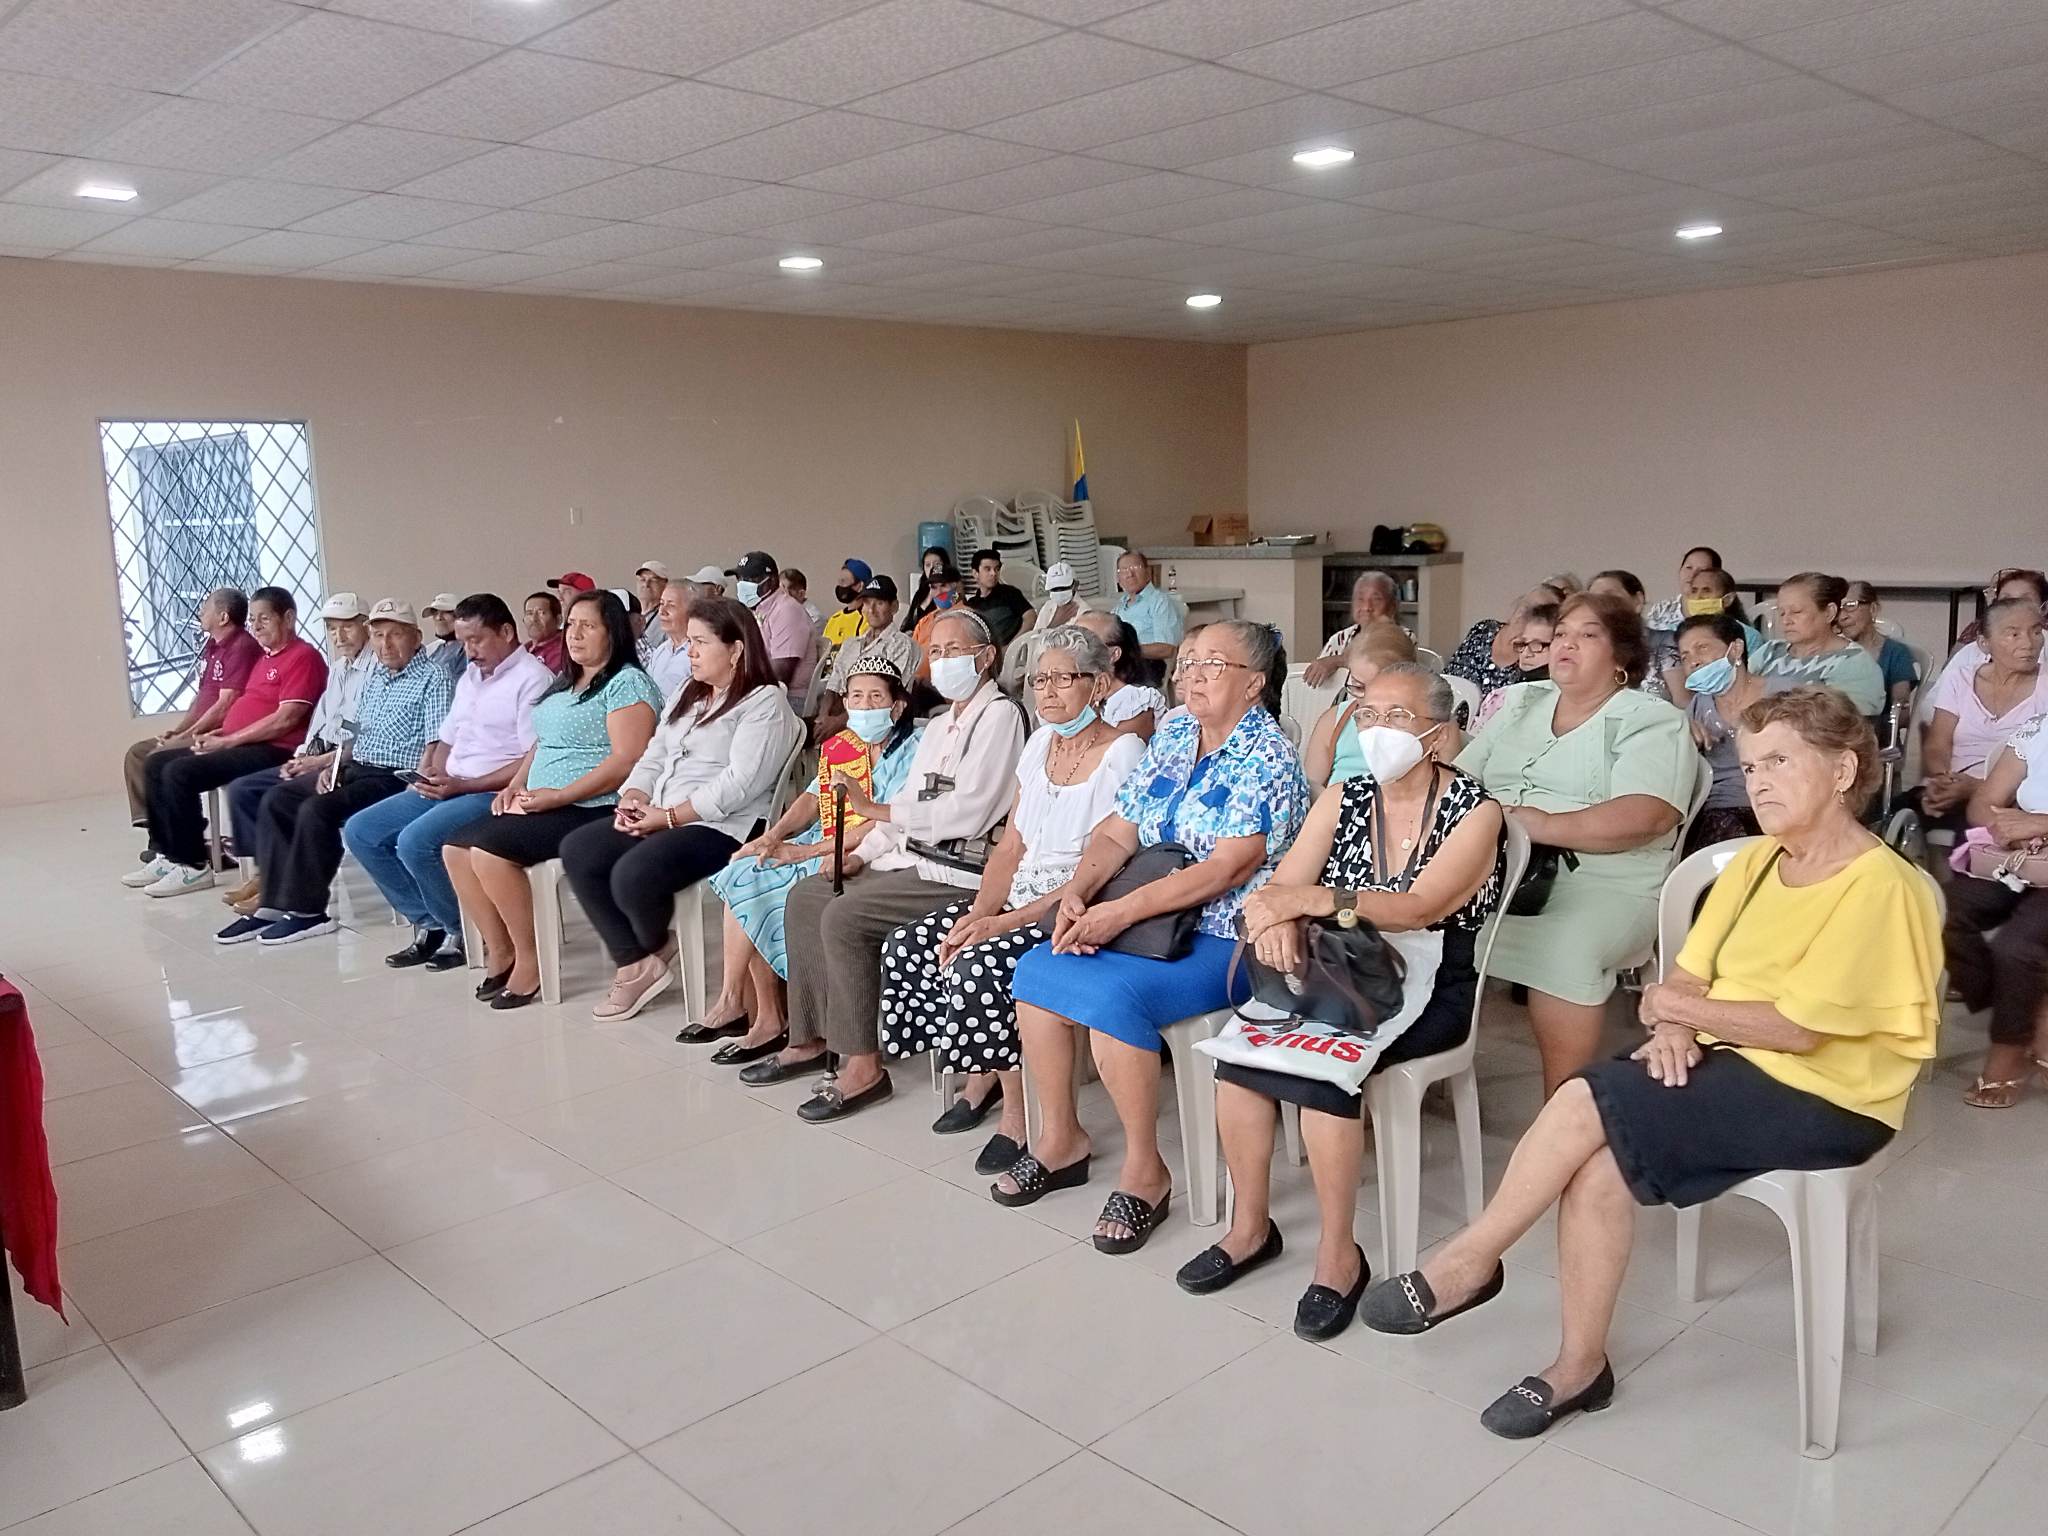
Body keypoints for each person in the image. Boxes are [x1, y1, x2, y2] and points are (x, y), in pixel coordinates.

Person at [1365, 689, 1940, 1441]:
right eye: (1749, 767)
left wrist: (1679, 1012)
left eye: (1779, 762)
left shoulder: (1882, 887)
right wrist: (1674, 1017)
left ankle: (1471, 1261)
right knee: (1599, 1166)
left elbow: (1799, 1030)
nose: (1758, 783)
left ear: (1842, 771)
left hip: (1832, 1097)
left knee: (1585, 1096)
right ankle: (1579, 1367)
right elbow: (1686, 978)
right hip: (1736, 1064)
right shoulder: (1756, 865)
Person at [1179, 665, 1504, 1337]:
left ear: (1439, 735)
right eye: (1369, 714)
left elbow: (1419, 908)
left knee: (1323, 1078)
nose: (1378, 729)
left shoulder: (1476, 811)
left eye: (1398, 717)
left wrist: (1313, 902)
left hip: (1428, 974)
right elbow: (1283, 886)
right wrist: (1277, 921)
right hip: (1333, 959)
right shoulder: (1343, 797)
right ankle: (1249, 1228)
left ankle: (1339, 1256)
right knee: (1239, 1063)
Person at [1001, 620, 1310, 1252]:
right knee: (1037, 971)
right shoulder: (1174, 733)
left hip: (1226, 934)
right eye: (1188, 662)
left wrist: (1117, 915)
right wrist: (1080, 892)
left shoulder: (1269, 755)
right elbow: (1121, 828)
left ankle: (1146, 1170)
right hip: (1147, 921)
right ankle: (1060, 1140)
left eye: (1212, 664)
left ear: (1254, 683)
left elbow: (1225, 870)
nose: (1192, 675)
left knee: (1114, 997)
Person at [738, 609, 1027, 1120]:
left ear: (986, 658)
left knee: (845, 917)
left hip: (959, 870)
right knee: (807, 896)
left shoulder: (1000, 716)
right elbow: (902, 813)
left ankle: (863, 1067)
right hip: (914, 858)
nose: (942, 661)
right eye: (935, 652)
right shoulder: (941, 725)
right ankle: (813, 1038)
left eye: (954, 651)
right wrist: (856, 855)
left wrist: (872, 811)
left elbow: (970, 812)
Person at [880, 625, 1147, 1171]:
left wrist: (1000, 926)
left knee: (978, 962)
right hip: (1017, 898)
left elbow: (1106, 864)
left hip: (1075, 907)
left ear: (1098, 686)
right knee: (910, 945)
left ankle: (1017, 1116)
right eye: (1040, 680)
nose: (1047, 691)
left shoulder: (1124, 751)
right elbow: (1011, 846)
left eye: (1063, 679)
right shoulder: (1039, 743)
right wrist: (981, 913)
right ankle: (985, 1075)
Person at [1456, 593, 1697, 1096]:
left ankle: (1562, 1108)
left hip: (1605, 880)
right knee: (1410, 920)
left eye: (1588, 635)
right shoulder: (1522, 702)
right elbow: (1461, 781)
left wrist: (1539, 824)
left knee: (1564, 949)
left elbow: (1649, 814)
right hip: (1495, 870)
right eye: (1562, 633)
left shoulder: (1649, 718)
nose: (1567, 644)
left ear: (1622, 654)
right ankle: (1406, 1073)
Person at [561, 599, 801, 1022]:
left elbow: (739, 784)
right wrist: (635, 795)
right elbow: (655, 753)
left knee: (632, 874)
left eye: (700, 642)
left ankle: (650, 951)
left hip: (722, 826)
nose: (689, 651)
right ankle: (638, 961)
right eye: (689, 642)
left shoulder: (764, 702)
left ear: (736, 649)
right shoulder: (688, 692)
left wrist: (670, 817)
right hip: (663, 811)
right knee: (580, 849)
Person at [693, 658, 925, 1059]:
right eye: (857, 697)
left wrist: (804, 851)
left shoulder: (915, 749)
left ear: (897, 705)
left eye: (876, 697)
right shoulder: (843, 745)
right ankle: (747, 1006)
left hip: (870, 850)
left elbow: (886, 821)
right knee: (746, 869)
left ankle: (779, 1019)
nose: (865, 706)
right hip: (826, 839)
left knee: (777, 884)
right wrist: (772, 837)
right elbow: (813, 798)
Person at [442, 591, 663, 1009]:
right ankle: (501, 950)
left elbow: (627, 760)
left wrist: (558, 796)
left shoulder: (627, 683)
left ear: (613, 632)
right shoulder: (567, 680)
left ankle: (532, 961)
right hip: (546, 801)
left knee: (489, 852)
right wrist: (516, 784)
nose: (574, 635)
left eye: (588, 626)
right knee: (455, 848)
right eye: (572, 625)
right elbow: (543, 742)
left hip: (595, 805)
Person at [212, 601, 454, 944]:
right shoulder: (376, 676)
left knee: (317, 811)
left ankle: (308, 912)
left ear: (416, 637)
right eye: (378, 635)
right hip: (356, 766)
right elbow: (357, 733)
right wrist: (334, 764)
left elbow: (436, 742)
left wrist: (417, 787)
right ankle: (273, 903)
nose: (385, 644)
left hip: (393, 776)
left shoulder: (434, 678)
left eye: (395, 635)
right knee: (279, 798)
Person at [344, 594, 553, 971]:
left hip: (492, 792)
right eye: (463, 642)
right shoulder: (471, 677)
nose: (469, 651)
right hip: (451, 785)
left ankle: (464, 930)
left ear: (507, 632)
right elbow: (446, 737)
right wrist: (432, 773)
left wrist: (462, 786)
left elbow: (532, 759)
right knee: (362, 831)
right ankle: (432, 923)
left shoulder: (532, 679)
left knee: (415, 842)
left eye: (477, 640)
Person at [127, 587, 326, 898]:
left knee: (180, 772)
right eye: (252, 620)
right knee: (156, 762)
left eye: (264, 619)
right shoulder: (266, 658)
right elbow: (246, 708)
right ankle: (168, 854)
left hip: (276, 749)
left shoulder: (304, 656)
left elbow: (285, 720)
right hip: (241, 742)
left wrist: (228, 741)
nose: (256, 626)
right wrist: (218, 734)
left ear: (288, 618)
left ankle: (193, 865)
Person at [219, 592, 375, 912]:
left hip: (346, 761)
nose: (339, 636)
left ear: (366, 626)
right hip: (319, 755)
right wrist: (302, 757)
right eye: (332, 629)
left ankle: (282, 887)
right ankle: (268, 875)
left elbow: (363, 734)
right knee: (244, 789)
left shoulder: (375, 669)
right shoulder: (340, 667)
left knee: (282, 799)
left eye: (346, 627)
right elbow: (322, 721)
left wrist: (317, 762)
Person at [1945, 713, 2048, 1107]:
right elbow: (1983, 803)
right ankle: (2031, 1014)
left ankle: (2007, 1051)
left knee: (2017, 947)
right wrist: (2012, 830)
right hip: (2024, 858)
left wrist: (2039, 822)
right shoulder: (2039, 727)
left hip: (2036, 845)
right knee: (1940, 910)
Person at [122, 587, 260, 843]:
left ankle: (180, 842)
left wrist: (186, 735)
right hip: (197, 729)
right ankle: (158, 831)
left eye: (205, 609)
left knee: (158, 759)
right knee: (137, 753)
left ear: (223, 617)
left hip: (219, 733)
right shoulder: (213, 646)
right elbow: (201, 698)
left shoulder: (241, 647)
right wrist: (178, 730)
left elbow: (225, 704)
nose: (200, 613)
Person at [1918, 596, 2048, 830]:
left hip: (2011, 797)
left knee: (1966, 827)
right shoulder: (1960, 678)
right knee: (1911, 813)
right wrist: (1943, 781)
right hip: (1952, 784)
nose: (2029, 643)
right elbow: (1937, 744)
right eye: (2014, 634)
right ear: (1984, 643)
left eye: (2036, 632)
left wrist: (1976, 787)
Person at [1675, 612, 1767, 854]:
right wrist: (1683, 733)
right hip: (1715, 810)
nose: (1693, 661)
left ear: (1735, 649)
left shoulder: (1784, 694)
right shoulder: (1698, 704)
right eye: (1685, 656)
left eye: (1702, 648)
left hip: (1773, 804)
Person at [1749, 572, 1886, 715]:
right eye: (1782, 613)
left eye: (1796, 612)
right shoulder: (1770, 651)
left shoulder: (1854, 663)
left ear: (1829, 612)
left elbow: (1846, 722)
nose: (1786, 620)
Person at [1304, 621, 1418, 789]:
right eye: (1357, 686)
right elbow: (1310, 789)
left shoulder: (1427, 725)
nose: (1366, 700)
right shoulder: (1334, 721)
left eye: (1377, 690)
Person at [813, 577, 921, 742]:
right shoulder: (851, 643)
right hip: (837, 713)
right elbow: (833, 684)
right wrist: (823, 717)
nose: (871, 610)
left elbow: (887, 695)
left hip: (873, 724)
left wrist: (837, 723)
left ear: (894, 607)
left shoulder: (902, 644)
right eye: (867, 603)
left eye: (879, 603)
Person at [1445, 583, 1564, 696]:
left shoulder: (1534, 664)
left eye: (1538, 611)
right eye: (1525, 604)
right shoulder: (1484, 629)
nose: (1523, 612)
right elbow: (1449, 674)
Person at [729, 550, 815, 693]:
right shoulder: (757, 609)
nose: (742, 584)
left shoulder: (787, 610)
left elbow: (780, 675)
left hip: (788, 696)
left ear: (772, 581)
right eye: (740, 578)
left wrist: (740, 692)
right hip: (759, 689)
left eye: (751, 579)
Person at [1075, 610, 1165, 740]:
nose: (1072, 649)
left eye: (1086, 643)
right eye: (1070, 638)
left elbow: (1111, 749)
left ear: (1113, 654)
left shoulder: (1136, 702)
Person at [1303, 571, 1403, 686]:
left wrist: (1336, 661)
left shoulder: (1403, 637)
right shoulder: (1339, 639)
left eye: (1376, 599)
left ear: (1392, 606)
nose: (1366, 607)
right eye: (1360, 599)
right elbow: (1318, 677)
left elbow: (1382, 666)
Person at [1590, 569, 1678, 700]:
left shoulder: (1665, 641)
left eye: (1610, 597)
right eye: (1593, 600)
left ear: (1638, 601)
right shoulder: (1589, 649)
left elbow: (1683, 702)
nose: (1601, 605)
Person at [1472, 603, 1556, 732]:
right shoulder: (1500, 698)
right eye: (1523, 644)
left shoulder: (1564, 702)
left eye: (1537, 644)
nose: (1526, 653)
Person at [1837, 582, 1918, 709]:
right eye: (1838, 609)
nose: (1842, 617)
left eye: (1850, 606)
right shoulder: (1831, 652)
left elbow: (1900, 710)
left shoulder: (1896, 653)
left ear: (1873, 609)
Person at [1111, 549, 1184, 661]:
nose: (1130, 574)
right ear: (1118, 578)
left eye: (1135, 568)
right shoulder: (1119, 607)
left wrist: (1127, 652)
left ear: (1148, 572)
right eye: (1124, 570)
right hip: (1119, 663)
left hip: (1147, 664)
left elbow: (1167, 649)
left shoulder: (1159, 602)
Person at [1955, 568, 2048, 651]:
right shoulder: (1975, 636)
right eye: (2006, 600)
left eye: (2024, 600)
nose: (2014, 606)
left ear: (2044, 607)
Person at [1645, 545, 1722, 632]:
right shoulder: (1661, 609)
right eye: (1689, 568)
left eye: (1702, 570)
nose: (1692, 575)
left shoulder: (1719, 610)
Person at [966, 547, 1031, 648]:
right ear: (975, 573)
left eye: (997, 569)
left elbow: (1030, 617)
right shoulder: (972, 604)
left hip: (1014, 649)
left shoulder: (1010, 593)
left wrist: (1012, 646)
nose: (993, 573)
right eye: (987, 569)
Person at [640, 580, 693, 698]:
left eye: (671, 605)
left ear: (691, 611)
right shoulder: (661, 650)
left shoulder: (696, 654)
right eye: (661, 603)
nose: (662, 612)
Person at [910, 566, 965, 680]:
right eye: (934, 587)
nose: (939, 592)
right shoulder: (924, 622)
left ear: (958, 587)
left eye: (943, 586)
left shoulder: (967, 618)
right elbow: (911, 656)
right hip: (918, 685)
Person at [820, 558, 871, 671]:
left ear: (860, 585)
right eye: (839, 582)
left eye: (844, 582)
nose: (840, 586)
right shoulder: (834, 618)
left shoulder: (867, 619)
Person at [1029, 560, 1093, 637]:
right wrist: (1053, 625)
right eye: (1054, 589)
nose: (1059, 592)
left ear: (1076, 585)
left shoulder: (1085, 613)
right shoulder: (1048, 606)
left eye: (1063, 588)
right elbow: (1033, 639)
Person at [900, 545, 953, 635]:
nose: (932, 568)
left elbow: (955, 607)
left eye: (937, 564)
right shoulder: (921, 592)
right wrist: (929, 596)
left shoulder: (952, 589)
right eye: (928, 565)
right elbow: (913, 619)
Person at [419, 594, 467, 680]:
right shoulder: (435, 649)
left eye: (446, 612)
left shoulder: (466, 649)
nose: (439, 617)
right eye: (435, 612)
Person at [523, 590, 564, 673]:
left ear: (558, 620)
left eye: (541, 613)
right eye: (529, 613)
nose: (534, 619)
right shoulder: (522, 650)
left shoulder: (565, 651)